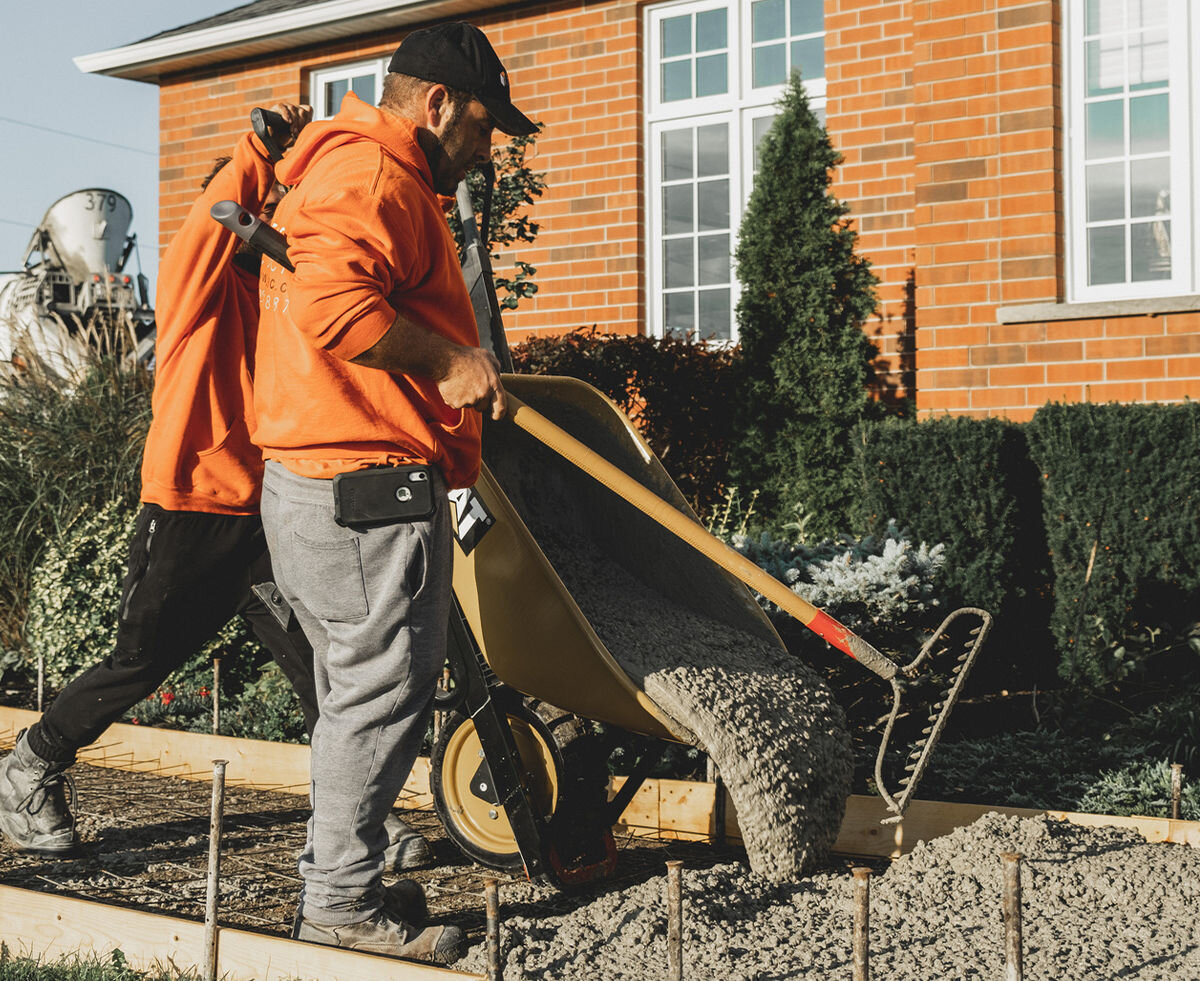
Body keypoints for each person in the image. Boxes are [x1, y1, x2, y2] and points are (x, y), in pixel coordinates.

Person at [0, 104, 433, 876]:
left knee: (325, 668)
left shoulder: (281, 293)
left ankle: (354, 820)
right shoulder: (196, 282)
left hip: (270, 512)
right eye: (265, 208)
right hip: (193, 508)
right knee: (140, 662)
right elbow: (211, 219)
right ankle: (29, 767)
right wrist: (259, 150)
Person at [252, 21, 535, 964]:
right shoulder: (375, 176)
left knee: (355, 698)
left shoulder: (348, 169)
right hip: (362, 490)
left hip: (321, 483)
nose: (487, 151)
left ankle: (343, 879)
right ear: (439, 103)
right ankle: (339, 905)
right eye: (484, 128)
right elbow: (334, 307)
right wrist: (451, 360)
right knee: (379, 696)